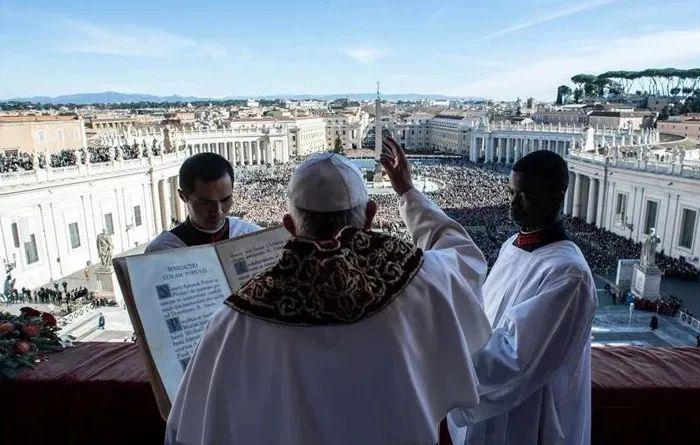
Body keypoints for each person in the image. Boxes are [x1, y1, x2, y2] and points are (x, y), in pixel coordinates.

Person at [165, 142, 491, 445]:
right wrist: (407, 193)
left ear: (289, 226)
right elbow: (468, 261)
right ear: (370, 216)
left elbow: (191, 425)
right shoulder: (421, 277)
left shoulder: (236, 318)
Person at [448, 150, 598, 445]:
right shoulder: (511, 245)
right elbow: (487, 315)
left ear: (555, 199)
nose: (513, 205)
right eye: (511, 193)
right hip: (493, 403)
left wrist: (445, 362)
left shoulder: (568, 274)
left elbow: (515, 358)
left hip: (529, 416)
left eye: (526, 196)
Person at [145, 153, 261, 253]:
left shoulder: (254, 236)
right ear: (183, 197)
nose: (218, 211)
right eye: (205, 202)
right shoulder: (159, 252)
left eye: (225, 200)